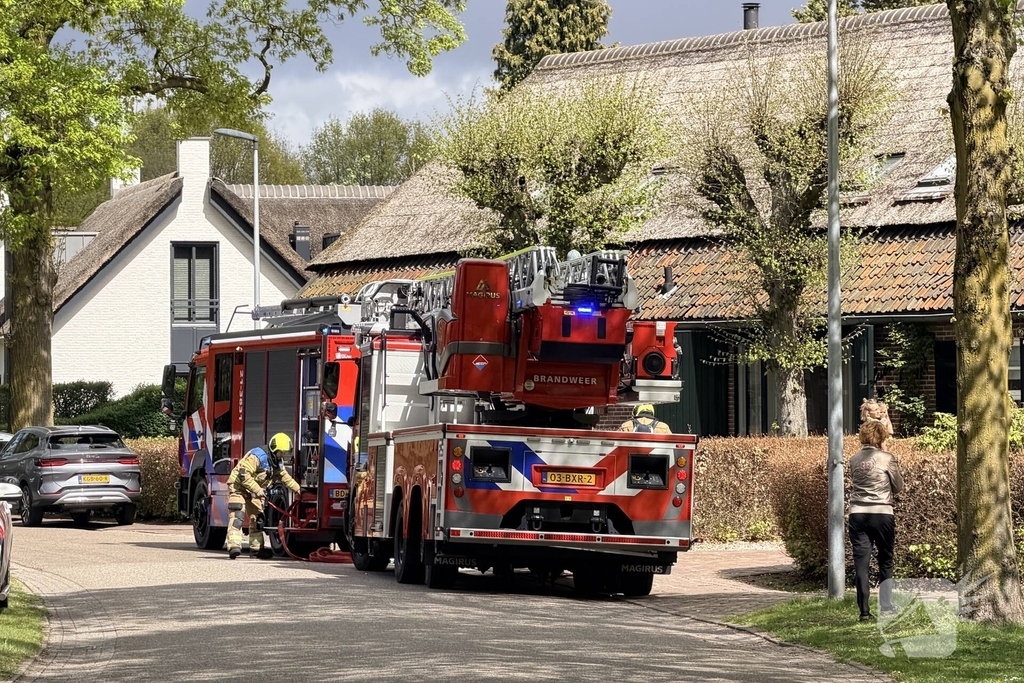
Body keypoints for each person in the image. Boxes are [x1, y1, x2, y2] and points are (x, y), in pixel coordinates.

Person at [848, 418, 904, 621]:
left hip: (858, 513)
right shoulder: (887, 458)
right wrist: (886, 452)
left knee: (861, 563)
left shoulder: (853, 459)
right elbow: (898, 487)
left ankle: (864, 611)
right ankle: (886, 605)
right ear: (881, 437)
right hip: (882, 512)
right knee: (885, 560)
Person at [226, 432, 301, 559]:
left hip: (254, 491)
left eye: (284, 453)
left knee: (258, 519)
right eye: (281, 453)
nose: (283, 455)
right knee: (237, 516)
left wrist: (298, 489)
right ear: (274, 449)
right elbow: (243, 475)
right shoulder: (257, 456)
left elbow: (284, 476)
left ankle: (256, 550)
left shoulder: (277, 461)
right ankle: (234, 547)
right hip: (238, 488)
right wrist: (258, 490)